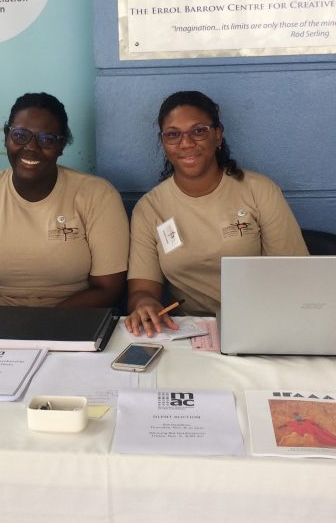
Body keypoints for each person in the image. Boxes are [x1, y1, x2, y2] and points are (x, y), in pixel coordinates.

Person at [126, 90, 308, 337]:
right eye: (173, 135)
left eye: (198, 131)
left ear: (218, 135)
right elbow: (142, 289)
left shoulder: (258, 190)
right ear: (163, 142)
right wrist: (143, 303)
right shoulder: (150, 208)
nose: (187, 143)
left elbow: (293, 274)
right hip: (190, 333)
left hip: (264, 325)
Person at [0, 92, 128, 313]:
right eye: (20, 135)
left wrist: (38, 328)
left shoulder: (98, 196)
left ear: (62, 145)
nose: (31, 147)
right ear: (6, 136)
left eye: (46, 139)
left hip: (75, 319)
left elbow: (108, 289)